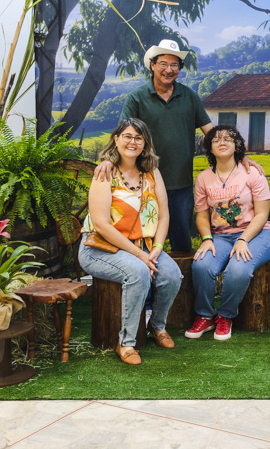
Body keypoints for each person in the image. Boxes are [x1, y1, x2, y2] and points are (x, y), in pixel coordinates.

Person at [95, 38, 260, 256]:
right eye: (163, 63)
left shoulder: (189, 96)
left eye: (174, 65)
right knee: (145, 236)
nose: (169, 70)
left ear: (179, 69)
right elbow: (123, 134)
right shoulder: (137, 98)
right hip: (145, 181)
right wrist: (109, 159)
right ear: (152, 65)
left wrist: (239, 155)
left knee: (182, 240)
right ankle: (147, 273)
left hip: (181, 182)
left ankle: (182, 277)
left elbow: (211, 132)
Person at [79, 118, 182, 365]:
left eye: (138, 138)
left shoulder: (152, 172)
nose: (132, 142)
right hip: (100, 247)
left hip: (144, 246)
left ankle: (156, 326)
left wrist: (157, 248)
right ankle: (126, 342)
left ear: (145, 143)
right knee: (138, 272)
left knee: (172, 276)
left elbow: (164, 215)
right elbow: (101, 225)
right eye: (127, 136)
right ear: (116, 139)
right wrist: (139, 256)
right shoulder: (105, 173)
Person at [185, 125, 270, 341]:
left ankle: (225, 315)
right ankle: (205, 315)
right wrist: (207, 239)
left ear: (237, 145)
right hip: (221, 236)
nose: (222, 142)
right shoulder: (203, 178)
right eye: (216, 140)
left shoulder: (252, 173)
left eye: (228, 138)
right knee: (201, 265)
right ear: (210, 148)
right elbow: (202, 215)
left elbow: (262, 214)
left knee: (238, 269)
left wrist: (243, 239)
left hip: (256, 233)